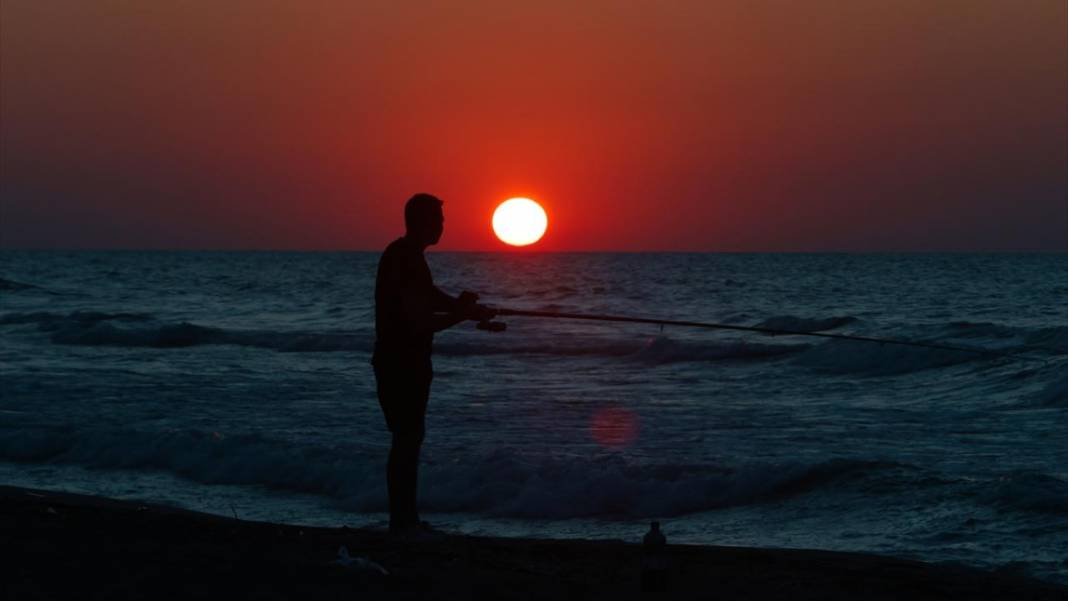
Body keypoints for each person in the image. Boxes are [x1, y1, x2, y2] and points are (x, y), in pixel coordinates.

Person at [372, 193, 494, 536]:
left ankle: (405, 519)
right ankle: (403, 521)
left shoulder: (407, 257)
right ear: (422, 222)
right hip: (400, 363)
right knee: (407, 439)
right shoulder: (402, 258)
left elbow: (426, 296)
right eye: (438, 220)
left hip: (408, 361)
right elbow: (418, 321)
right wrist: (461, 314)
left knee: (409, 438)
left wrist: (462, 307)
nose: (442, 226)